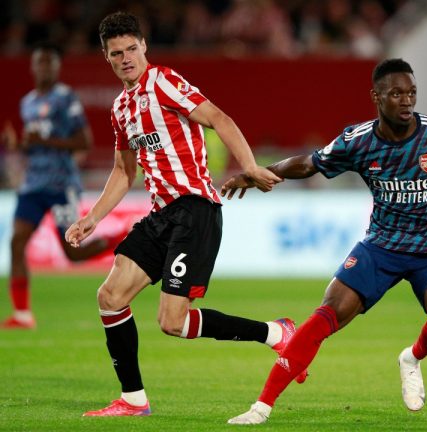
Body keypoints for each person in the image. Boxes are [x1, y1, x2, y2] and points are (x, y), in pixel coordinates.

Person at [220, 58, 427, 425]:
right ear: (377, 97)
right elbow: (308, 164)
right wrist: (256, 174)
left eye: (411, 93)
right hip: (382, 246)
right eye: (397, 94)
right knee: (326, 315)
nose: (407, 101)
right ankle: (261, 407)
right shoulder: (358, 141)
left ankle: (411, 358)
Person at [64, 11, 302, 417]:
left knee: (172, 322)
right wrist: (92, 217)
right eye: (116, 53)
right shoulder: (120, 108)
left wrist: (248, 166)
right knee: (110, 297)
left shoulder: (164, 82)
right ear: (106, 57)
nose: (126, 58)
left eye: (131, 49)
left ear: (144, 47)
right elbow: (124, 171)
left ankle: (275, 333)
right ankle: (133, 400)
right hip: (161, 215)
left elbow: (219, 118)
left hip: (194, 210)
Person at [2, 42, 124, 330]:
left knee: (73, 252)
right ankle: (22, 314)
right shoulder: (28, 102)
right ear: (33, 67)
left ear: (57, 68)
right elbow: (35, 144)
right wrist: (19, 145)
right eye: (40, 63)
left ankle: (122, 239)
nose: (44, 68)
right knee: (16, 242)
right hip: (33, 185)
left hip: (60, 187)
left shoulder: (65, 98)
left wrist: (44, 141)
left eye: (49, 63)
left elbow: (84, 142)